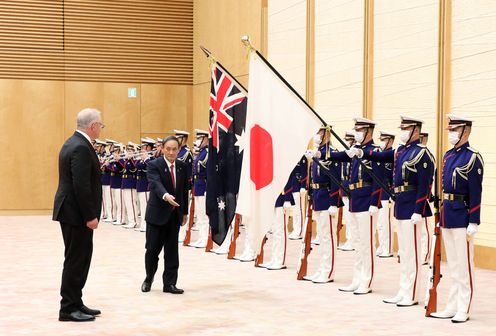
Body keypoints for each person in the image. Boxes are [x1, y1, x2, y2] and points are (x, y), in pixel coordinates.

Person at [354, 116, 434, 306]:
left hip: (413, 206)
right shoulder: (400, 150)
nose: (402, 131)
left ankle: (411, 294)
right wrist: (361, 153)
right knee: (404, 252)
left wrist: (418, 209)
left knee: (412, 252)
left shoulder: (422, 153)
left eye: (406, 128)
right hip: (400, 204)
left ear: (416, 130)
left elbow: (425, 184)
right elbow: (381, 157)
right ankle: (403, 289)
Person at [430, 115, 483, 323]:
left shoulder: (472, 157)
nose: (451, 133)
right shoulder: (448, 156)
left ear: (466, 131)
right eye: (450, 130)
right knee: (452, 264)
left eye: (455, 129)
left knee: (465, 265)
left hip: (462, 215)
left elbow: (476, 192)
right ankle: (452, 305)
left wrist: (474, 220)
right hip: (448, 214)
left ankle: (464, 307)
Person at [52, 108, 104, 322]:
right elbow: (81, 185)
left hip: (72, 211)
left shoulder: (73, 142)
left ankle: (76, 301)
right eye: (100, 125)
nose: (101, 128)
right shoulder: (81, 147)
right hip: (76, 214)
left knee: (80, 258)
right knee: (76, 259)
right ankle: (68, 308)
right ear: (93, 126)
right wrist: (90, 216)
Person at [331, 118, 384, 295]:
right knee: (357, 243)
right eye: (356, 130)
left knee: (367, 243)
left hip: (367, 201)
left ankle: (366, 281)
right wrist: (321, 155)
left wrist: (375, 203)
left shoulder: (375, 151)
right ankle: (357, 278)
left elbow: (379, 180)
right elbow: (339, 156)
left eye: (360, 130)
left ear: (369, 131)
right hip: (354, 200)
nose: (357, 133)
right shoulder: (355, 151)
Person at [141, 136, 189, 294]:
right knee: (152, 250)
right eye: (168, 148)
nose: (171, 152)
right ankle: (149, 278)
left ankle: (170, 283)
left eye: (174, 149)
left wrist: (185, 213)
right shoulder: (154, 165)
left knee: (172, 251)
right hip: (156, 215)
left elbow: (183, 191)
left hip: (174, 216)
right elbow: (155, 183)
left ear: (179, 150)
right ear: (162, 148)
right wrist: (165, 195)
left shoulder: (182, 166)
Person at [304, 126, 343, 283]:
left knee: (328, 237)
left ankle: (328, 271)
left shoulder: (331, 152)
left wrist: (334, 202)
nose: (317, 135)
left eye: (319, 132)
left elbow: (335, 179)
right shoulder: (317, 152)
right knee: (321, 236)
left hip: (327, 198)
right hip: (318, 197)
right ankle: (321, 269)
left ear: (326, 133)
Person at [376, 131, 395, 258]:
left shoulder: (393, 156)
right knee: (380, 223)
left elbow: (395, 176)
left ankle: (387, 248)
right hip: (379, 192)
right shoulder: (380, 155)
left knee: (386, 221)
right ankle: (382, 245)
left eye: (384, 139)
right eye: (381, 139)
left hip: (387, 193)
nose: (382, 142)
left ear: (391, 141)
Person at [337, 131, 356, 251]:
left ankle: (352, 240)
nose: (346, 142)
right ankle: (350, 239)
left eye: (348, 140)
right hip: (343, 187)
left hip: (351, 188)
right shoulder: (345, 154)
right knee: (347, 217)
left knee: (352, 217)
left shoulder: (353, 154)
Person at [135, 137, 156, 232]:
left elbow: (151, 168)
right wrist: (142, 160)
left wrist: (146, 159)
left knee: (146, 207)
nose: (142, 148)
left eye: (144, 146)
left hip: (146, 184)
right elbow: (137, 167)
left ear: (148, 148)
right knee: (142, 206)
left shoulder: (152, 158)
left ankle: (147, 225)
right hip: (140, 184)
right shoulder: (143, 158)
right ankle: (143, 224)